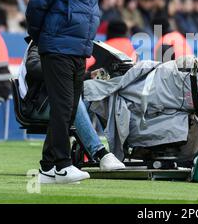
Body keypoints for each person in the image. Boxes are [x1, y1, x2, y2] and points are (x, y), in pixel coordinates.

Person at [25, 0, 102, 184]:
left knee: (68, 109)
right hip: (56, 48)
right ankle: (62, 164)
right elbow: (35, 9)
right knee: (63, 107)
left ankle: (47, 168)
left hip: (79, 51)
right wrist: (42, 39)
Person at [18, 39, 125, 184]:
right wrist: (62, 70)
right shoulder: (39, 43)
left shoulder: (57, 43)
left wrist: (88, 76)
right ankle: (101, 154)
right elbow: (34, 66)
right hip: (37, 106)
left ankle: (117, 152)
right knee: (70, 100)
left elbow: (66, 76)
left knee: (96, 95)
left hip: (51, 102)